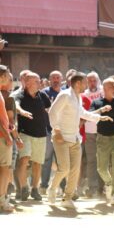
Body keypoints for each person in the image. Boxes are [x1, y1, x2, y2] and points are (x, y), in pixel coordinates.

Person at [47, 72, 113, 209]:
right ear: (78, 83)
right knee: (64, 168)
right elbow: (52, 112)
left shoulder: (78, 96)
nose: (87, 85)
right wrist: (57, 130)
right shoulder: (65, 95)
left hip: (75, 138)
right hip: (61, 137)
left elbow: (82, 113)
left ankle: (67, 197)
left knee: (75, 170)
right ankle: (52, 189)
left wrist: (100, 118)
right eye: (85, 82)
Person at [12, 72, 51, 202]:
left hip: (41, 133)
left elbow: (50, 108)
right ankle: (24, 188)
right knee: (24, 159)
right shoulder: (20, 95)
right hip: (25, 133)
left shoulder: (42, 95)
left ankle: (35, 189)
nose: (40, 83)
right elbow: (15, 105)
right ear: (27, 83)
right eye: (37, 81)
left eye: (39, 81)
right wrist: (22, 112)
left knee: (37, 163)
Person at [90, 78, 114, 206]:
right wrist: (101, 110)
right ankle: (109, 183)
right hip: (102, 138)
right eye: (113, 86)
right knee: (101, 168)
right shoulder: (96, 102)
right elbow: (89, 116)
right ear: (105, 89)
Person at [0, 65, 16, 212]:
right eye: (7, 75)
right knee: (4, 169)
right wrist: (7, 136)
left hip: (3, 135)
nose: (8, 77)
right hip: (1, 138)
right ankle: (2, 201)